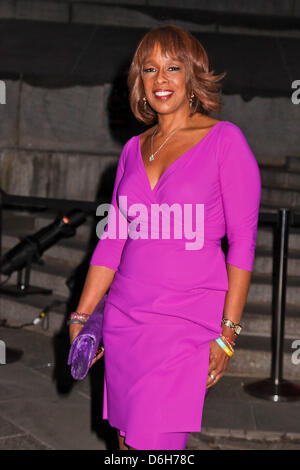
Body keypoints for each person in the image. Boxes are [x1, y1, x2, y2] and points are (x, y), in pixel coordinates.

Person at [69, 24, 261, 451]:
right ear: (140, 81)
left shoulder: (224, 141)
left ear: (192, 77)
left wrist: (227, 335)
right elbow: (112, 240)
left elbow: (243, 244)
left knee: (152, 445)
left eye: (173, 67)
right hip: (124, 318)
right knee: (124, 441)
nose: (161, 80)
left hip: (185, 323)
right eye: (151, 69)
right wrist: (82, 317)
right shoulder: (133, 149)